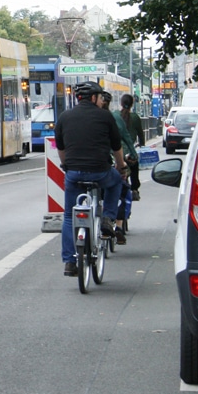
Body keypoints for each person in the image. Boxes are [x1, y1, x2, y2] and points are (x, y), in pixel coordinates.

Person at [55, 81, 127, 277]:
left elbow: (61, 148)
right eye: (100, 97)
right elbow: (116, 146)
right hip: (100, 172)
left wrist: (66, 166)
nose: (102, 101)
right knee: (116, 182)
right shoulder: (105, 116)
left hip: (74, 174)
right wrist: (121, 167)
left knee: (69, 216)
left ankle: (69, 262)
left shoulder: (64, 117)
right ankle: (108, 218)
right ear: (94, 98)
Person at [99, 91, 134, 244]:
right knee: (121, 187)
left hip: (78, 168)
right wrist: (122, 166)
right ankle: (117, 225)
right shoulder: (112, 118)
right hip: (106, 165)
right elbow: (119, 143)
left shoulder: (80, 117)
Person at [120, 94, 145, 200]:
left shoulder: (116, 116)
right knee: (134, 166)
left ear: (121, 103)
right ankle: (134, 189)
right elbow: (140, 134)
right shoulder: (135, 117)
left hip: (117, 150)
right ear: (132, 104)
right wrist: (142, 143)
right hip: (130, 151)